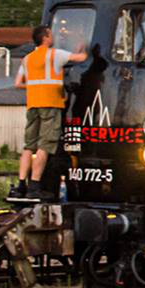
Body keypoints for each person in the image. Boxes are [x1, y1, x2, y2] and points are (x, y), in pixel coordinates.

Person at [13, 23, 86, 199]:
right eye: (50, 34)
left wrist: (35, 87)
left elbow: (18, 84)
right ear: (45, 38)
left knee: (29, 146)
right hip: (51, 105)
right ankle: (35, 186)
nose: (53, 37)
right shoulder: (55, 55)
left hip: (33, 105)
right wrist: (82, 45)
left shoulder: (27, 59)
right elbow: (82, 58)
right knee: (45, 146)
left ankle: (21, 184)